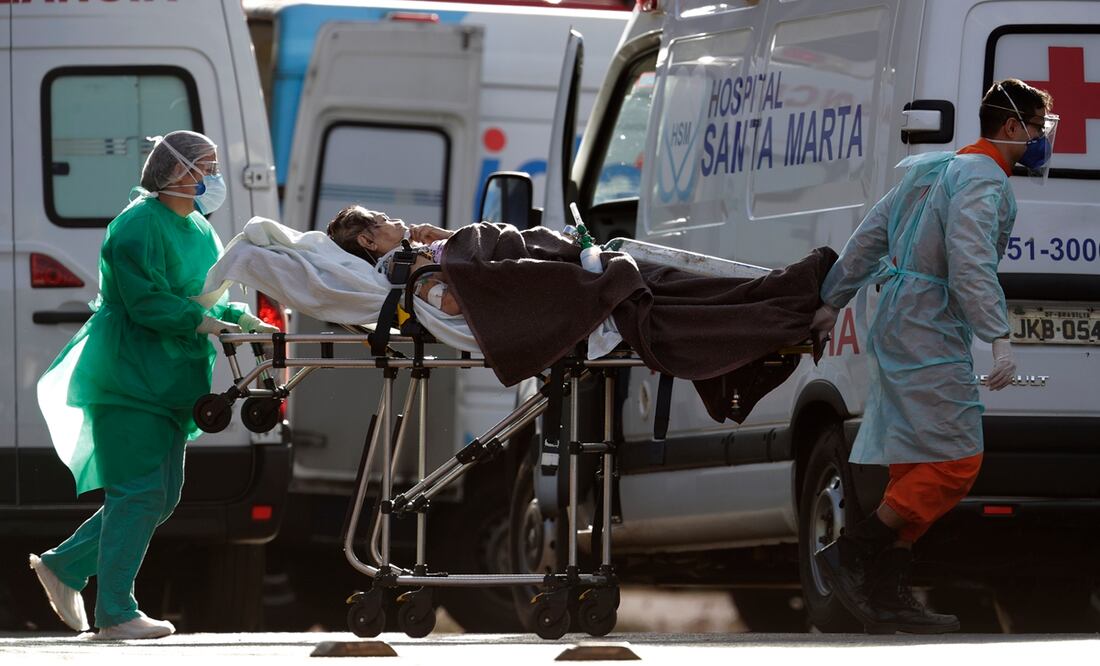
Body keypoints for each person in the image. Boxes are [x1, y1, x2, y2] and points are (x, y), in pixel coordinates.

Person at [809, 79, 1056, 634]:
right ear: (1012, 127)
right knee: (954, 462)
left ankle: (887, 590)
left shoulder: (936, 168)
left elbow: (870, 235)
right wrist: (998, 335)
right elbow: (970, 260)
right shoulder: (985, 179)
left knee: (917, 462)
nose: (1041, 140)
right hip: (928, 329)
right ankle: (851, 554)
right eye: (1037, 128)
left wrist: (831, 302)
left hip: (902, 322)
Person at [29, 130, 279, 640]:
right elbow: (146, 301)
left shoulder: (198, 228)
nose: (213, 178)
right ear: (175, 171)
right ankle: (116, 613)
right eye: (205, 167)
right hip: (128, 375)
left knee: (161, 496)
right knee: (138, 492)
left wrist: (238, 317)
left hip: (170, 378)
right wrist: (203, 322)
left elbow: (203, 293)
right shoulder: (136, 225)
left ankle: (65, 565)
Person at [326, 205, 461, 315]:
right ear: (368, 241)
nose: (398, 221)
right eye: (385, 220)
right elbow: (450, 304)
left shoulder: (412, 255)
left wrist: (448, 236)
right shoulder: (403, 262)